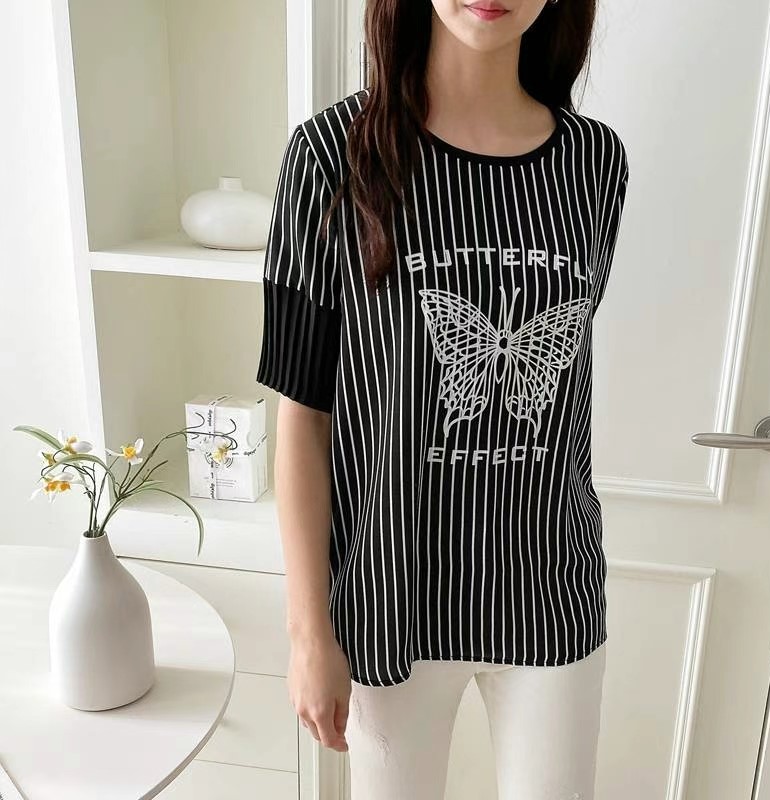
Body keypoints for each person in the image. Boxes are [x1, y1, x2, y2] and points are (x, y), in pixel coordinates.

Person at [256, 0, 630, 797]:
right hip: (391, 594)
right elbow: (302, 412)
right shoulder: (329, 155)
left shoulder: (596, 164)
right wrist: (308, 631)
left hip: (548, 586)